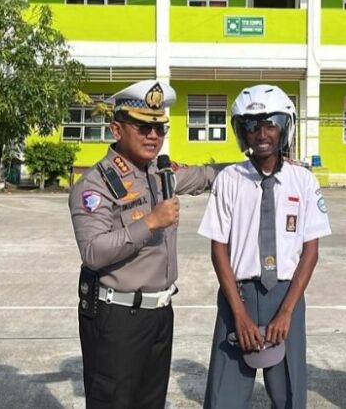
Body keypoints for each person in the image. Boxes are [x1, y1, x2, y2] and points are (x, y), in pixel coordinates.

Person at [68, 79, 222, 409]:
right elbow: (93, 252)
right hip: (118, 317)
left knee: (151, 403)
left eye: (159, 128)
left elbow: (208, 175)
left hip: (160, 314)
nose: (153, 136)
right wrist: (150, 222)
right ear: (116, 130)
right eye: (142, 127)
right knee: (114, 403)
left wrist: (261, 164)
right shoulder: (95, 184)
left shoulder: (159, 172)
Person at [198, 84, 331, 409]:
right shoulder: (229, 180)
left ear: (284, 127)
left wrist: (286, 312)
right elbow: (219, 251)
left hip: (286, 295)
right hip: (239, 296)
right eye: (251, 125)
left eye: (270, 123)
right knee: (224, 397)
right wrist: (239, 314)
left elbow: (310, 253)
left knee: (288, 394)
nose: (261, 133)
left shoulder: (304, 182)